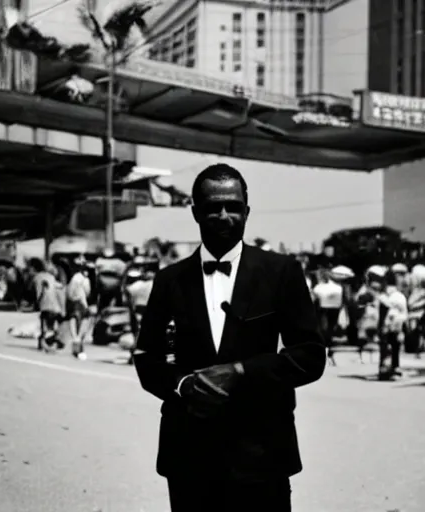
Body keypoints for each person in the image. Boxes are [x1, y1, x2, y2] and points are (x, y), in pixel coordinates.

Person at [133, 163, 326, 512]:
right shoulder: (169, 280)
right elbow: (151, 357)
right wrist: (184, 385)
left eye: (233, 206)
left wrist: (240, 371)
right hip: (189, 456)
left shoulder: (281, 272)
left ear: (247, 211)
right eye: (212, 207)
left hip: (262, 455)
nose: (224, 215)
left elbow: (310, 355)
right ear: (195, 212)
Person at [66, 255, 92, 359]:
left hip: (73, 303)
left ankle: (76, 346)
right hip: (82, 303)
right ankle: (78, 345)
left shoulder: (73, 278)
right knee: (83, 325)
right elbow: (87, 292)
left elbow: (69, 293)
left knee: (74, 324)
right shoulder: (85, 280)